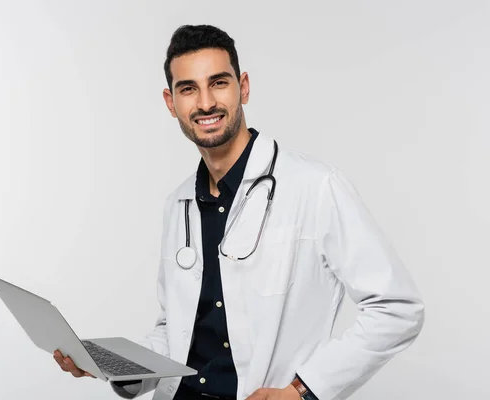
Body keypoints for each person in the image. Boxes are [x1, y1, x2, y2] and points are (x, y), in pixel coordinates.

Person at [53, 24, 425, 400]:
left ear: (243, 87)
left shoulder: (315, 187)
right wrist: (115, 365)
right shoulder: (178, 204)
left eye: (218, 82)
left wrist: (302, 391)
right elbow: (177, 331)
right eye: (188, 89)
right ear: (171, 103)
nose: (205, 103)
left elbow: (397, 309)